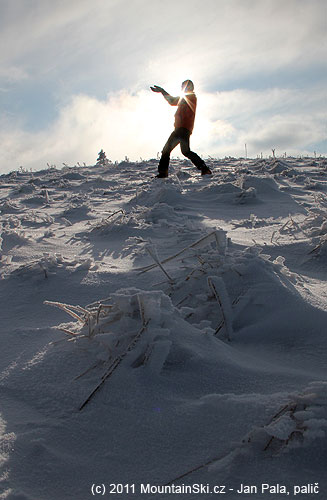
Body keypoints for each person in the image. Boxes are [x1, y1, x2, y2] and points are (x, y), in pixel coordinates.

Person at [150, 80, 212, 178]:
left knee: (167, 150)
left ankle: (163, 173)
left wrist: (162, 91)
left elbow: (172, 101)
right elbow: (173, 101)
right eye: (183, 87)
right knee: (185, 151)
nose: (183, 89)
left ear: (190, 88)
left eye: (185, 87)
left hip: (182, 129)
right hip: (183, 129)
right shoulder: (187, 98)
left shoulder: (190, 97)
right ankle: (204, 168)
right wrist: (162, 91)